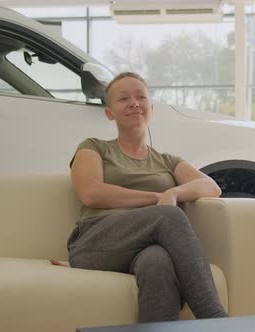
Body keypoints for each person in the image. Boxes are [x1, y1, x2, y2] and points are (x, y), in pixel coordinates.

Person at [66, 72, 228, 322]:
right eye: (123, 99)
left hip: (146, 247)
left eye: (140, 97)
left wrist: (174, 192)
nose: (133, 102)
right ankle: (216, 320)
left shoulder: (167, 160)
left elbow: (211, 186)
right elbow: (91, 193)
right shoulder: (94, 146)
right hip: (95, 241)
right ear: (110, 112)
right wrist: (157, 198)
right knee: (169, 216)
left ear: (151, 109)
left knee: (158, 262)